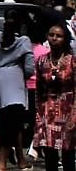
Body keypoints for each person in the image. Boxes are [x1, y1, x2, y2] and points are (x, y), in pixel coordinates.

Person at [0, 6, 36, 171]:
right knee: (12, 125)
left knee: (6, 124)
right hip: (14, 84)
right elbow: (29, 69)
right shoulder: (24, 41)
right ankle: (2, 164)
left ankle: (20, 160)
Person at [34, 21, 76, 171]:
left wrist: (74, 116)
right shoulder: (41, 61)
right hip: (47, 112)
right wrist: (38, 115)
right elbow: (38, 89)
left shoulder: (72, 61)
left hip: (68, 112)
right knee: (50, 156)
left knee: (68, 157)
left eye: (58, 36)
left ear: (65, 39)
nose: (54, 38)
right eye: (51, 35)